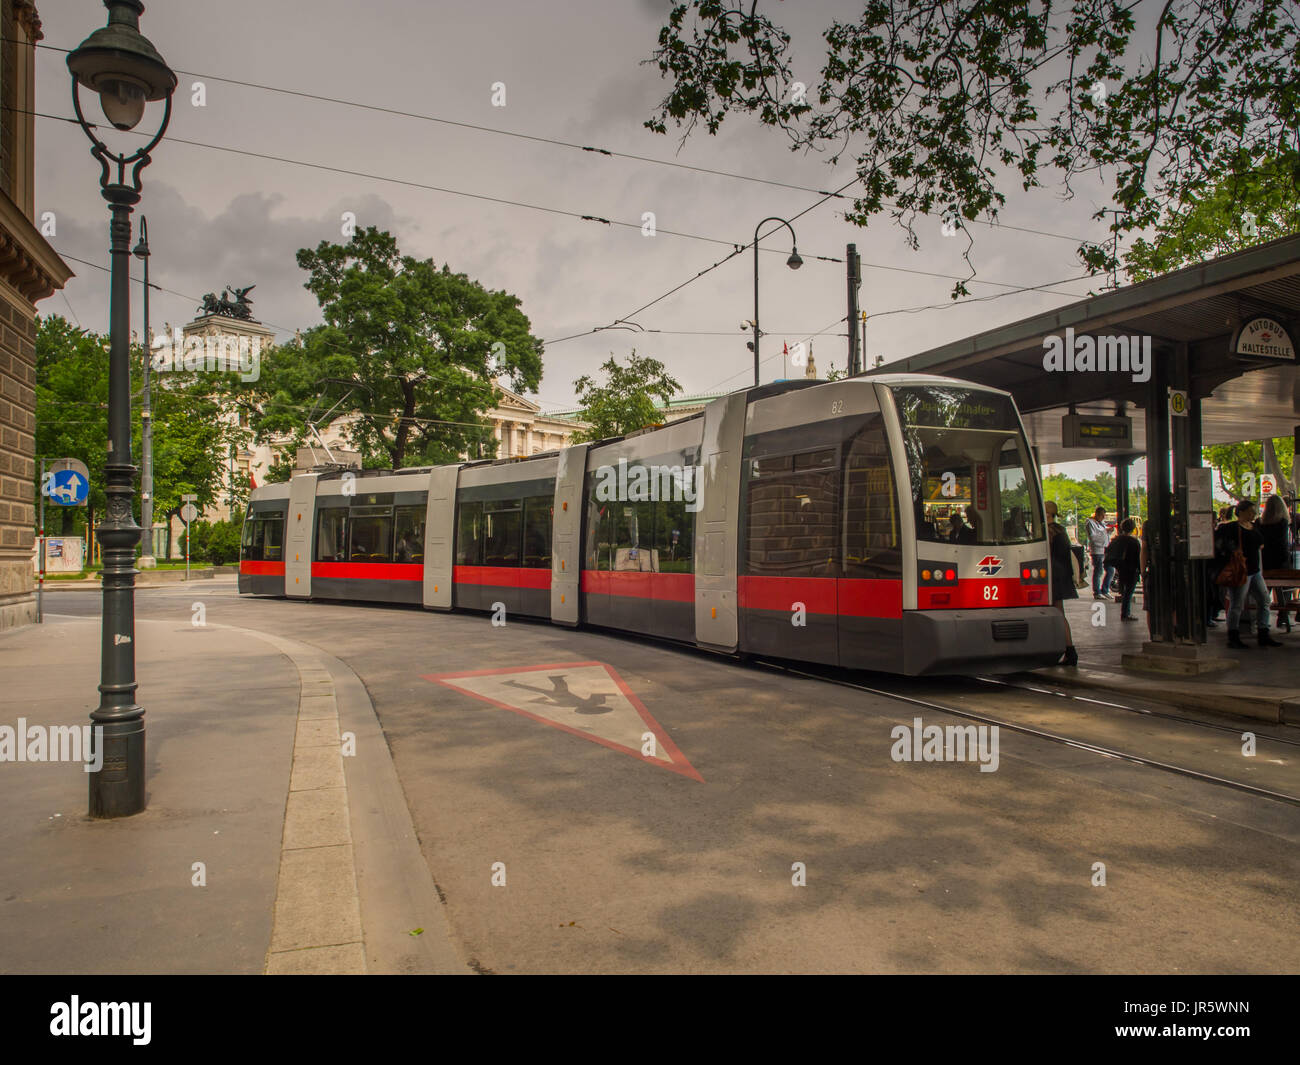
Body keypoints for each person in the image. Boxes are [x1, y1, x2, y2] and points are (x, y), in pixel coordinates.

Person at [1214, 499, 1281, 650]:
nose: (1254, 514)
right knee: (1237, 604)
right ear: (1242, 512)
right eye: (1251, 511)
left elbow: (1260, 544)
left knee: (1264, 600)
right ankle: (1233, 636)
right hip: (1240, 571)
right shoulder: (1232, 527)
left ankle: (1263, 633)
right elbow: (1219, 543)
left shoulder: (1253, 527)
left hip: (1254, 571)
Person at [1045, 501, 1078, 665]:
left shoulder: (1048, 532)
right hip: (1062, 575)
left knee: (1056, 613)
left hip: (1053, 577)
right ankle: (1068, 649)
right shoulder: (1061, 530)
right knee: (1060, 612)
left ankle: (1067, 649)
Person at [1260, 494, 1293, 633]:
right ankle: (1283, 617)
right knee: (1284, 591)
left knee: (1263, 594)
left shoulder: (1260, 523)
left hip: (1265, 562)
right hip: (1281, 562)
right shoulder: (1283, 522)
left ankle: (1263, 622)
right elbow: (1283, 545)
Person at [1104, 518, 1142, 620]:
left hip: (1121, 568)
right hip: (1132, 569)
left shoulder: (1117, 540)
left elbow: (1108, 551)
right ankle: (1125, 613)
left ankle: (1125, 612)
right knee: (1129, 592)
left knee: (1125, 590)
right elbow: (1138, 558)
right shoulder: (1134, 542)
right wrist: (1141, 571)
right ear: (1133, 528)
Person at [1083, 506, 1111, 600]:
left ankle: (1105, 590)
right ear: (1097, 514)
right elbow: (1093, 537)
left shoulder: (1101, 524)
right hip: (1097, 550)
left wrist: (1107, 532)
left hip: (1105, 549)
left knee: (1110, 570)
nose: (1103, 518)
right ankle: (1097, 592)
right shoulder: (1090, 523)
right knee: (1098, 571)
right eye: (1102, 515)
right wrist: (1104, 532)